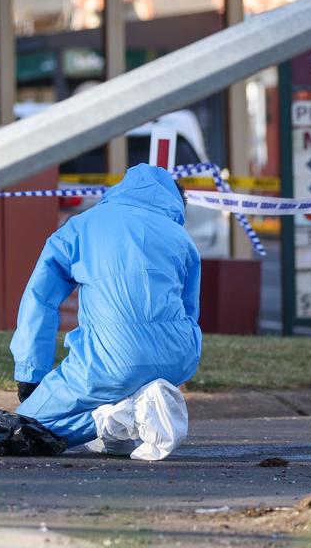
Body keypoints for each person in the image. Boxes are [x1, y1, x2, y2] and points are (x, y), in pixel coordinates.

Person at [10, 163, 201, 458]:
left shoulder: (81, 226)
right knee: (115, 384)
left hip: (109, 361)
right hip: (179, 359)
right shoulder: (182, 239)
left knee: (27, 426)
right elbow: (190, 310)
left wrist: (30, 372)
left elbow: (41, 300)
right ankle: (130, 416)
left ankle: (126, 417)